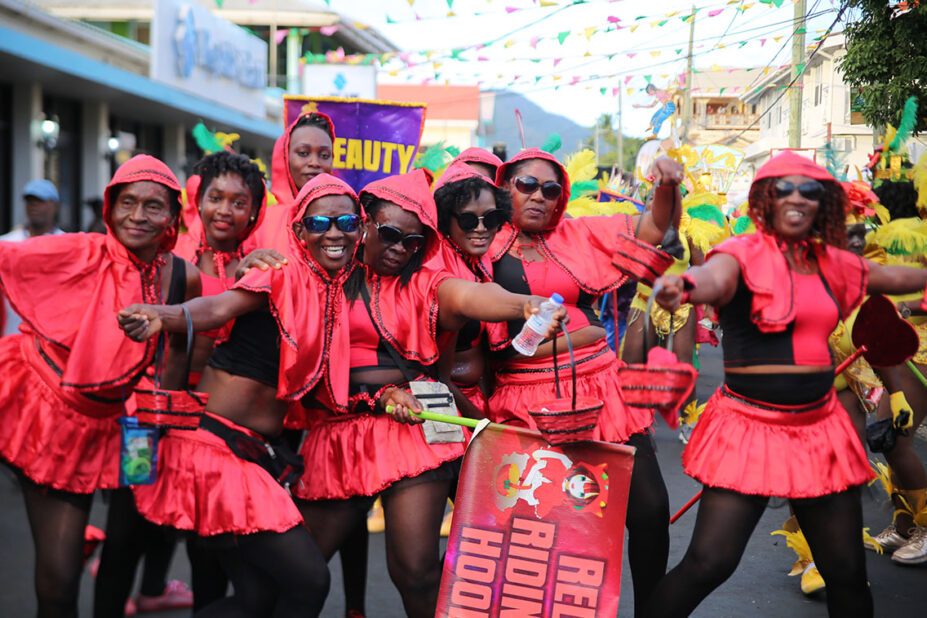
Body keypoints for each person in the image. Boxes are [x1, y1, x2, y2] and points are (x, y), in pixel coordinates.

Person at [646, 152, 927, 618]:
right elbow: (712, 278)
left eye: (810, 190)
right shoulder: (740, 253)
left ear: (824, 204)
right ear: (764, 201)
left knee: (848, 578)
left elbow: (889, 277)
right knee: (708, 564)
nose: (797, 197)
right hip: (748, 430)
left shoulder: (833, 262)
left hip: (819, 431)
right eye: (784, 189)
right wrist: (684, 287)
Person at [292, 169, 565, 618]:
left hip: (417, 426)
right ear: (364, 225)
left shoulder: (424, 283)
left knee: (416, 573)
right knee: (301, 572)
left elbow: (469, 296)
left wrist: (524, 305)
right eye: (391, 234)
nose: (401, 247)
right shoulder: (325, 270)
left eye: (414, 240)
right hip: (340, 432)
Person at [115, 174, 377, 617]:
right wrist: (164, 315)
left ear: (361, 229)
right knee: (310, 582)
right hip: (217, 453)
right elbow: (218, 308)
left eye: (347, 222)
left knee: (258, 598)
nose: (334, 233)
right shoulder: (279, 273)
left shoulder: (336, 293)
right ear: (299, 232)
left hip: (258, 455)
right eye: (319, 224)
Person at [485, 147, 683, 617]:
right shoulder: (482, 242)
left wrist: (667, 185)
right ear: (503, 187)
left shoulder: (577, 233)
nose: (539, 197)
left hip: (601, 387)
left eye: (551, 189)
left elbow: (655, 228)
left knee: (651, 511)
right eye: (526, 185)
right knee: (543, 525)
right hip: (525, 397)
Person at [0, 155, 200, 618]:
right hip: (51, 416)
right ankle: (75, 547)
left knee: (128, 542)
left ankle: (95, 553)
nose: (137, 215)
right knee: (58, 585)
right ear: (110, 208)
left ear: (173, 216)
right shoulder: (79, 249)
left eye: (153, 206)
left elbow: (221, 305)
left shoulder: (179, 274)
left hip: (129, 425)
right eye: (127, 202)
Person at [94, 151, 269, 617]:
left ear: (254, 210)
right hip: (150, 418)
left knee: (205, 541)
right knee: (128, 529)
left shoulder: (261, 265)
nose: (225, 211)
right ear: (197, 200)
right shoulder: (171, 256)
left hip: (212, 424)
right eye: (216, 197)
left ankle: (160, 591)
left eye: (239, 202)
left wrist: (251, 271)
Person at [431, 161, 512, 418]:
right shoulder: (437, 270)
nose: (480, 228)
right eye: (467, 220)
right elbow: (437, 378)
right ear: (446, 220)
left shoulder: (482, 264)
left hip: (475, 400)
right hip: (445, 406)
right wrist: (482, 425)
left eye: (491, 218)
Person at [1, 179, 65, 336]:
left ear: (54, 206)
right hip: (10, 336)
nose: (34, 206)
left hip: (53, 339)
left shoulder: (67, 245)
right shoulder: (6, 243)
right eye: (30, 201)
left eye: (40, 201)